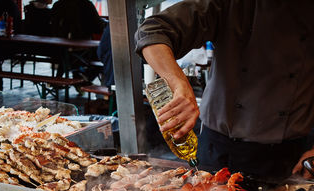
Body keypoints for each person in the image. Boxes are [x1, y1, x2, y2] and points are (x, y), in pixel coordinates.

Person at [135, 0, 314, 180]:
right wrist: (178, 82)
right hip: (219, 149)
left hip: (289, 156)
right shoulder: (229, 4)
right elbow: (151, 31)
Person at [50, 0, 107, 84]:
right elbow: (97, 27)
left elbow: (53, 27)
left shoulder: (58, 4)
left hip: (58, 49)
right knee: (102, 56)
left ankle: (73, 77)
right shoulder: (86, 4)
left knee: (67, 53)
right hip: (82, 48)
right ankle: (86, 78)